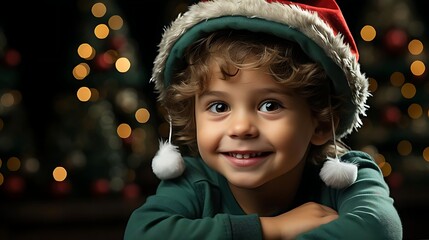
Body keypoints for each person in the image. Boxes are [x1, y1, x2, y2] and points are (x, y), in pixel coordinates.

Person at [124, 0, 403, 239]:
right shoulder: (193, 183)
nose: (241, 128)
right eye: (219, 106)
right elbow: (142, 233)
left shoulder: (348, 176)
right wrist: (273, 229)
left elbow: (380, 228)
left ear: (319, 122)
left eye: (270, 105)